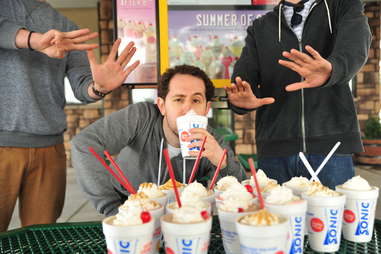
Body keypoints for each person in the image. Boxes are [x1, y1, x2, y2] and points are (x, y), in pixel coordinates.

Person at [0, 0, 139, 231]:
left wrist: (99, 87)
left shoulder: (65, 25)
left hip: (49, 148)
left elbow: (82, 85)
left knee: (41, 239)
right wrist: (35, 40)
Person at [225, 0, 371, 189]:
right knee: (274, 218)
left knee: (331, 217)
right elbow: (243, 82)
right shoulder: (260, 27)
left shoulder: (343, 6)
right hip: (275, 150)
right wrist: (241, 100)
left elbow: (355, 47)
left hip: (332, 148)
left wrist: (333, 69)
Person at [71, 65, 246, 216]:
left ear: (207, 108)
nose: (187, 108)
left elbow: (242, 194)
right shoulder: (141, 117)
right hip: (130, 206)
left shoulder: (212, 140)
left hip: (184, 215)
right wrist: (114, 209)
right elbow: (84, 144)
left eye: (196, 100)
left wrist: (221, 162)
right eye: (178, 99)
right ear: (162, 106)